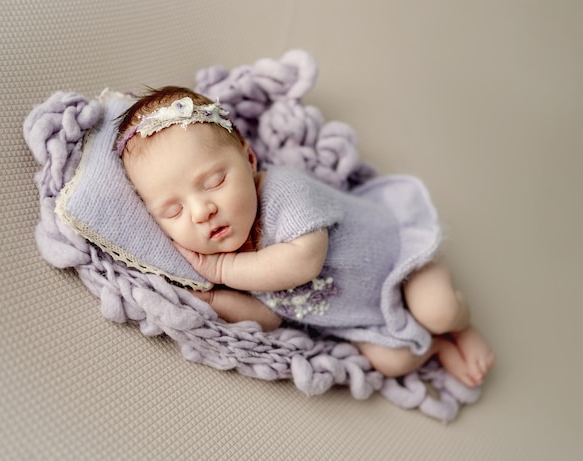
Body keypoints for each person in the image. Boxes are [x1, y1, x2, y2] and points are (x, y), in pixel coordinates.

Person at [116, 86, 495, 388]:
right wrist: (214, 297)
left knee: (437, 310)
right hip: (363, 315)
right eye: (173, 211)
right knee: (394, 362)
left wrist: (222, 267)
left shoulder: (283, 191)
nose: (202, 212)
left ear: (249, 160)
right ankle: (438, 348)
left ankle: (461, 327)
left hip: (398, 258)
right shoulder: (225, 262)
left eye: (215, 182)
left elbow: (304, 261)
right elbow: (270, 318)